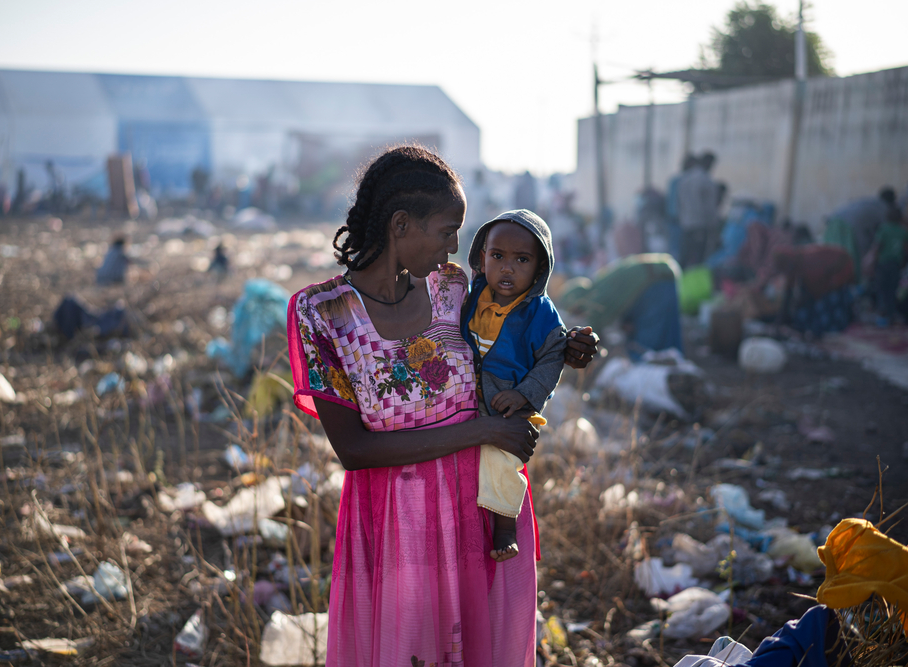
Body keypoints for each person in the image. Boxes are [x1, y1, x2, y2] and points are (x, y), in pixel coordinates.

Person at [286, 146, 598, 667]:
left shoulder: (452, 288)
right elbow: (355, 450)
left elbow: (518, 330)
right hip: (396, 527)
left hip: (477, 510)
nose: (458, 245)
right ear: (401, 225)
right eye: (447, 230)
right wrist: (484, 433)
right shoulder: (323, 315)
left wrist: (565, 348)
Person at [460, 210, 566, 563]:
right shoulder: (471, 296)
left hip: (509, 405)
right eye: (498, 256)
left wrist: (524, 396)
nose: (507, 268)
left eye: (522, 259)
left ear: (539, 269)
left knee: (501, 460)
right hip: (466, 395)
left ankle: (505, 527)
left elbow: (553, 358)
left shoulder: (540, 313)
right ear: (481, 257)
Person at [559, 253, 683, 360]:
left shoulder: (595, 298)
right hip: (664, 274)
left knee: (647, 347)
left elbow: (594, 331)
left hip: (653, 284)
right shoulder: (601, 284)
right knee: (669, 334)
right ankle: (680, 368)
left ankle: (662, 377)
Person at [824, 187, 899, 279]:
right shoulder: (885, 209)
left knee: (830, 263)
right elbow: (885, 235)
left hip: (832, 223)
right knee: (850, 265)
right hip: (848, 229)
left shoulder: (870, 202)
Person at [677, 151, 719, 268]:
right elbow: (708, 207)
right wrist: (713, 225)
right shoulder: (705, 180)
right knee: (698, 259)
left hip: (686, 224)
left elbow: (680, 202)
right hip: (700, 225)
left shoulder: (685, 178)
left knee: (685, 257)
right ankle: (694, 285)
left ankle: (679, 283)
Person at [870, 212, 908, 326]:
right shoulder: (903, 230)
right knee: (893, 290)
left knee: (882, 289)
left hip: (883, 263)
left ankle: (882, 318)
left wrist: (871, 260)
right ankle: (892, 315)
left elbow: (878, 246)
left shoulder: (883, 229)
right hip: (896, 264)